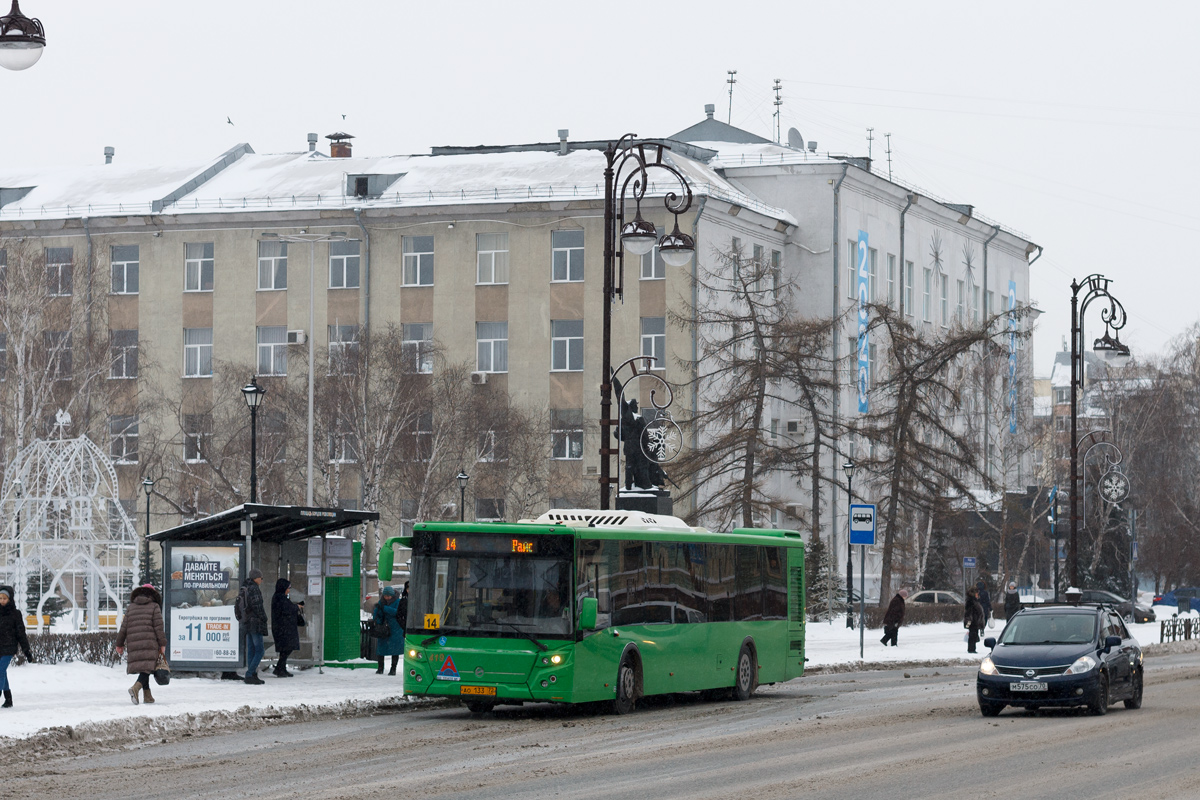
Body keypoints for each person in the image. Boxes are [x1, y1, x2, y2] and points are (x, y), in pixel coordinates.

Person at [114, 583, 167, 705]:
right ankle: (136, 688)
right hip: (149, 642)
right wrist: (162, 643)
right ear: (153, 595)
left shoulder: (131, 607)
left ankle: (148, 696)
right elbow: (158, 627)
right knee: (148, 667)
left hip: (133, 642)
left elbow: (124, 627)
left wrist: (119, 644)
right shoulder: (154, 607)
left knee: (145, 667)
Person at [0, 585, 34, 708]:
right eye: (0, 598)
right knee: (2, 673)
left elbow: (21, 633)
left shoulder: (15, 614)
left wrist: (27, 651)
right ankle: (8, 700)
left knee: (0, 671)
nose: (2, 600)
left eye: (4, 598)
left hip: (9, 647)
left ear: (9, 599)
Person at [270, 578, 303, 678]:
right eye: (288, 588)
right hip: (282, 629)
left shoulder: (281, 597)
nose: (289, 590)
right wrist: (297, 607)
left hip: (284, 628)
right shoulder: (279, 598)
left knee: (285, 649)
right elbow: (287, 609)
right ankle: (279, 668)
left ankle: (281, 668)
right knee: (286, 648)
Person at [243, 569, 268, 685]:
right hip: (255, 623)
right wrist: (264, 618)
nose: (261, 580)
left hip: (247, 622)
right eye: (261, 578)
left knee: (251, 649)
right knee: (260, 650)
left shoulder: (246, 587)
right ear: (256, 578)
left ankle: (252, 674)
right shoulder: (254, 589)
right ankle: (250, 673)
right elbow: (258, 607)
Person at [374, 586, 405, 676]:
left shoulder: (398, 602)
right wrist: (378, 617)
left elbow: (397, 612)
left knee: (395, 650)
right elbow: (377, 614)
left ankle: (393, 669)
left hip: (395, 628)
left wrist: (385, 609)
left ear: (392, 595)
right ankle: (380, 668)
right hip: (383, 629)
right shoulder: (381, 603)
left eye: (389, 596)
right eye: (385, 596)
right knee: (381, 649)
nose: (387, 597)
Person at [964, 586, 986, 654]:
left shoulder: (974, 601)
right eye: (976, 593)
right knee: (972, 635)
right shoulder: (971, 601)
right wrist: (969, 621)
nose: (977, 594)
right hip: (973, 621)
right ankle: (971, 649)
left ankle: (972, 648)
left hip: (975, 621)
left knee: (974, 635)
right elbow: (969, 612)